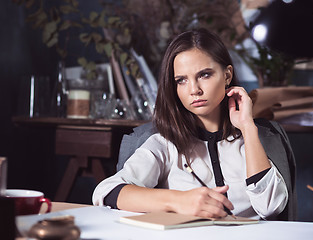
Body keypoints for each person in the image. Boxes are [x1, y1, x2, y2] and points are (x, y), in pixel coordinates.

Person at [93, 28, 294, 220]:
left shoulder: (254, 139)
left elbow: (270, 207)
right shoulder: (164, 144)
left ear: (227, 75)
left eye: (204, 75)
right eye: (181, 80)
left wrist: (248, 128)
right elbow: (106, 192)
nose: (194, 89)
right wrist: (179, 201)